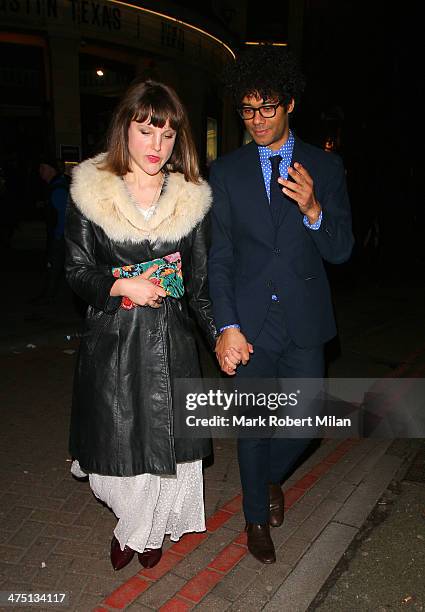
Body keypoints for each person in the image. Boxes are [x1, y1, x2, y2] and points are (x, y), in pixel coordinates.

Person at [208, 45, 354, 564]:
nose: (258, 120)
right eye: (248, 109)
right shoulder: (225, 172)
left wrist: (314, 208)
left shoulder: (325, 166)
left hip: (303, 320)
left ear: (289, 103)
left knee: (304, 421)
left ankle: (266, 478)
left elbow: (341, 250)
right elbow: (219, 258)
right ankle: (254, 516)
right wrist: (225, 324)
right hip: (249, 323)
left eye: (268, 107)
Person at [65, 80, 216, 571]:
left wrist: (221, 337)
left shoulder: (190, 198)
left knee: (167, 453)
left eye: (168, 135)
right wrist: (120, 286)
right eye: (147, 131)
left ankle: (149, 534)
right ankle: (131, 525)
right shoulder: (92, 190)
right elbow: (76, 271)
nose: (157, 146)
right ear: (125, 128)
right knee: (121, 453)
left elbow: (199, 286)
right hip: (115, 346)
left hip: (172, 344)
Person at [38, 157, 70, 302]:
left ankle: (48, 296)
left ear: (51, 170)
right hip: (59, 235)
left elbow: (63, 215)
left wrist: (57, 236)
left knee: (54, 265)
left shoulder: (58, 189)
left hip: (60, 236)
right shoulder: (56, 186)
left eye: (43, 168)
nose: (40, 172)